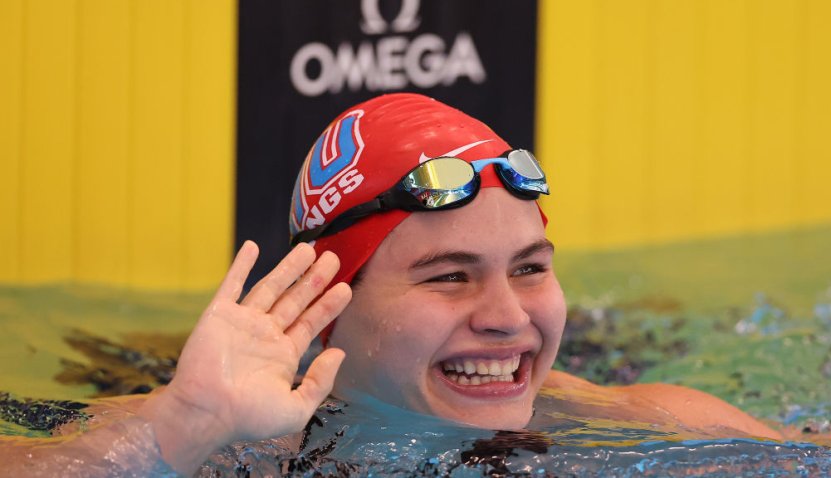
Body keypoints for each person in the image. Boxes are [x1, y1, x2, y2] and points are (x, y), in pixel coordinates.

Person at [3, 93, 783, 476]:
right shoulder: (227, 436)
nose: (509, 318)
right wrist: (183, 422)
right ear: (327, 308)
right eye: (449, 277)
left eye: (530, 268)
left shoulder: (653, 427)